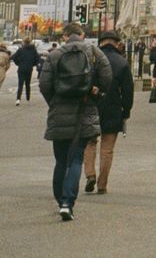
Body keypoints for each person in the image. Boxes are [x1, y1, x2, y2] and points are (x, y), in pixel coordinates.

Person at [39, 21, 112, 220]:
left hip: (59, 112)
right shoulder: (94, 52)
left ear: (65, 36)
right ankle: (67, 202)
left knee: (61, 159)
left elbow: (44, 85)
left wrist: (54, 102)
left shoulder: (54, 55)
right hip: (84, 110)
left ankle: (59, 198)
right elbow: (107, 76)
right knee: (77, 158)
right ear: (81, 35)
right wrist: (96, 95)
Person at [83, 31, 134, 195]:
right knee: (107, 149)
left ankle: (90, 174)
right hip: (113, 108)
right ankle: (102, 184)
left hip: (91, 106)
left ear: (101, 43)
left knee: (90, 143)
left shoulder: (92, 60)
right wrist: (126, 111)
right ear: (116, 43)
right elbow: (128, 90)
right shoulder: (122, 62)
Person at [12, 34, 40, 104]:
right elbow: (37, 59)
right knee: (28, 84)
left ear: (24, 42)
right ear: (30, 42)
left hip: (21, 69)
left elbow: (14, 57)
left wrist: (18, 63)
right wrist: (32, 64)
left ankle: (18, 99)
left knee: (20, 84)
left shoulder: (20, 50)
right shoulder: (33, 50)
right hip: (29, 69)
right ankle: (28, 98)